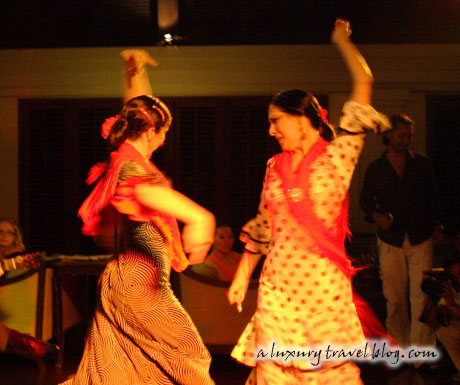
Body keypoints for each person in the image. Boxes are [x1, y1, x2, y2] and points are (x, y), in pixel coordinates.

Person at [227, 19, 391, 385]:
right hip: (277, 287)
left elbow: (363, 83)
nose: (270, 130)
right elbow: (262, 225)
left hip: (322, 288)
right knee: (272, 371)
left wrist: (342, 41)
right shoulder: (273, 166)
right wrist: (241, 277)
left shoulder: (338, 157)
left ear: (302, 119)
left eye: (276, 121)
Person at [62, 50, 215, 385]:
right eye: (162, 133)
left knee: (112, 375)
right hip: (138, 286)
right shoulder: (131, 167)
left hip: (120, 282)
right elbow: (145, 192)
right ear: (150, 132)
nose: (162, 140)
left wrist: (134, 72)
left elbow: (141, 108)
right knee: (187, 356)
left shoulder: (125, 156)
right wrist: (201, 218)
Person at [359, 112, 443, 351]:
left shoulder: (421, 163)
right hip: (390, 239)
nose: (406, 140)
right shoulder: (376, 168)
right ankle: (399, 347)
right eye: (401, 135)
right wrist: (378, 217)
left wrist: (438, 226)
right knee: (394, 298)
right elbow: (365, 202)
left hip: (420, 235)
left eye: (409, 136)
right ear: (389, 134)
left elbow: (433, 198)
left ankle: (421, 351)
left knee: (422, 295)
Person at [0, 217, 57, 364]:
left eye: (9, 232)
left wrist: (12, 264)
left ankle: (31, 343)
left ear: (15, 236)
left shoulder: (18, 255)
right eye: (1, 231)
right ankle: (30, 343)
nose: (4, 235)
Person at [421, 260, 460, 382]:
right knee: (443, 331)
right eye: (451, 276)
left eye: (458, 274)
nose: (454, 279)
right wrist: (429, 296)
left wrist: (453, 305)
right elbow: (432, 324)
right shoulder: (448, 291)